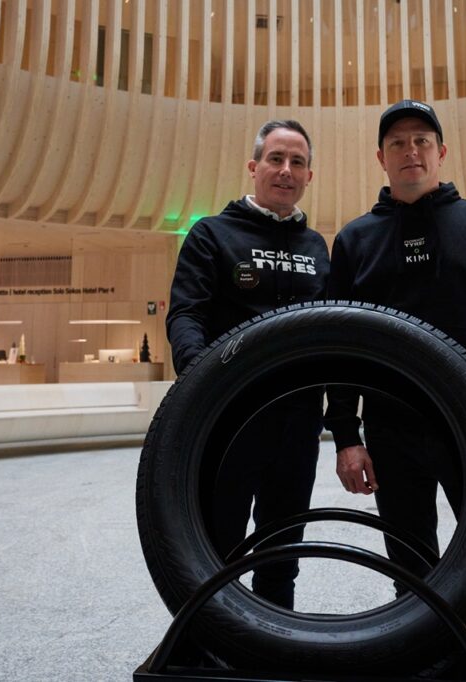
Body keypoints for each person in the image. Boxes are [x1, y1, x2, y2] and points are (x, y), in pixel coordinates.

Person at [324, 100, 466, 681]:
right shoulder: (355, 240)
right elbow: (340, 347)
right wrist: (347, 436)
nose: (411, 151)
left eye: (422, 140)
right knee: (412, 578)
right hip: (392, 434)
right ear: (381, 158)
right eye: (398, 143)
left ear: (441, 152)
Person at [166, 119, 329, 609]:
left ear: (309, 176)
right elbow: (186, 315)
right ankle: (207, 646)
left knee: (282, 557)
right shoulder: (211, 234)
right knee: (214, 552)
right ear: (254, 167)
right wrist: (201, 383)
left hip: (297, 428)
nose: (286, 170)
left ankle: (274, 640)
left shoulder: (317, 247)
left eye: (297, 162)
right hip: (228, 423)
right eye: (276, 159)